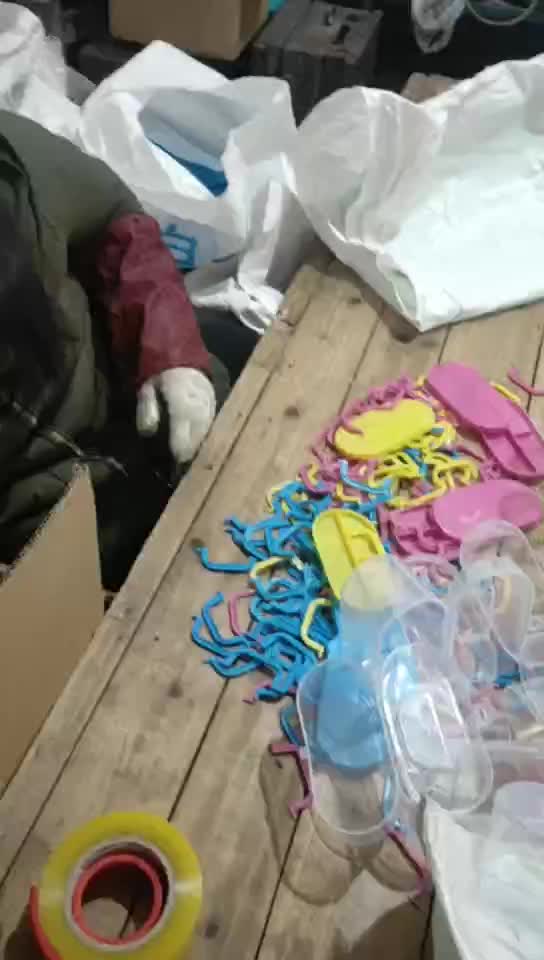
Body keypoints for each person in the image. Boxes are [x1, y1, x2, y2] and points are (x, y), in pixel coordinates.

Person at [0, 110, 256, 589]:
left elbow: (117, 219)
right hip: (48, 522)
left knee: (259, 377)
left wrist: (169, 350)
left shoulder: (18, 169)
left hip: (126, 390)